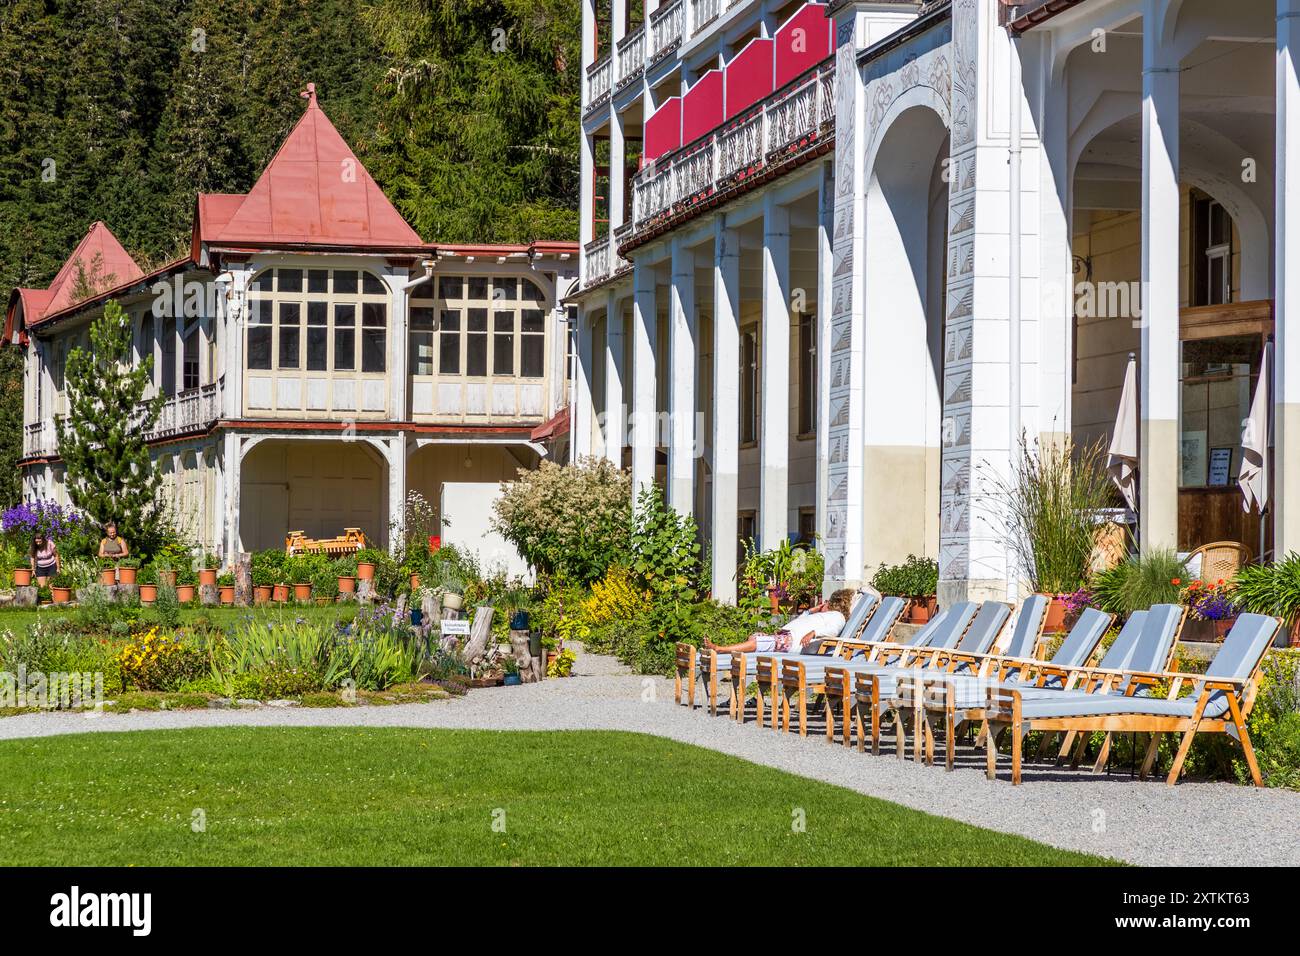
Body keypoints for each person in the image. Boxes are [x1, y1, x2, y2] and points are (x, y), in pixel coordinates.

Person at [706, 589, 855, 655]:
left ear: (835, 603)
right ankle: (733, 653)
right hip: (786, 637)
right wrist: (811, 611)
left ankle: (721, 649)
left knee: (758, 641)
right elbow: (801, 620)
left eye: (826, 602)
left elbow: (833, 630)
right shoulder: (824, 615)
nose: (824, 604)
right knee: (754, 636)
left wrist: (814, 633)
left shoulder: (837, 616)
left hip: (792, 642)